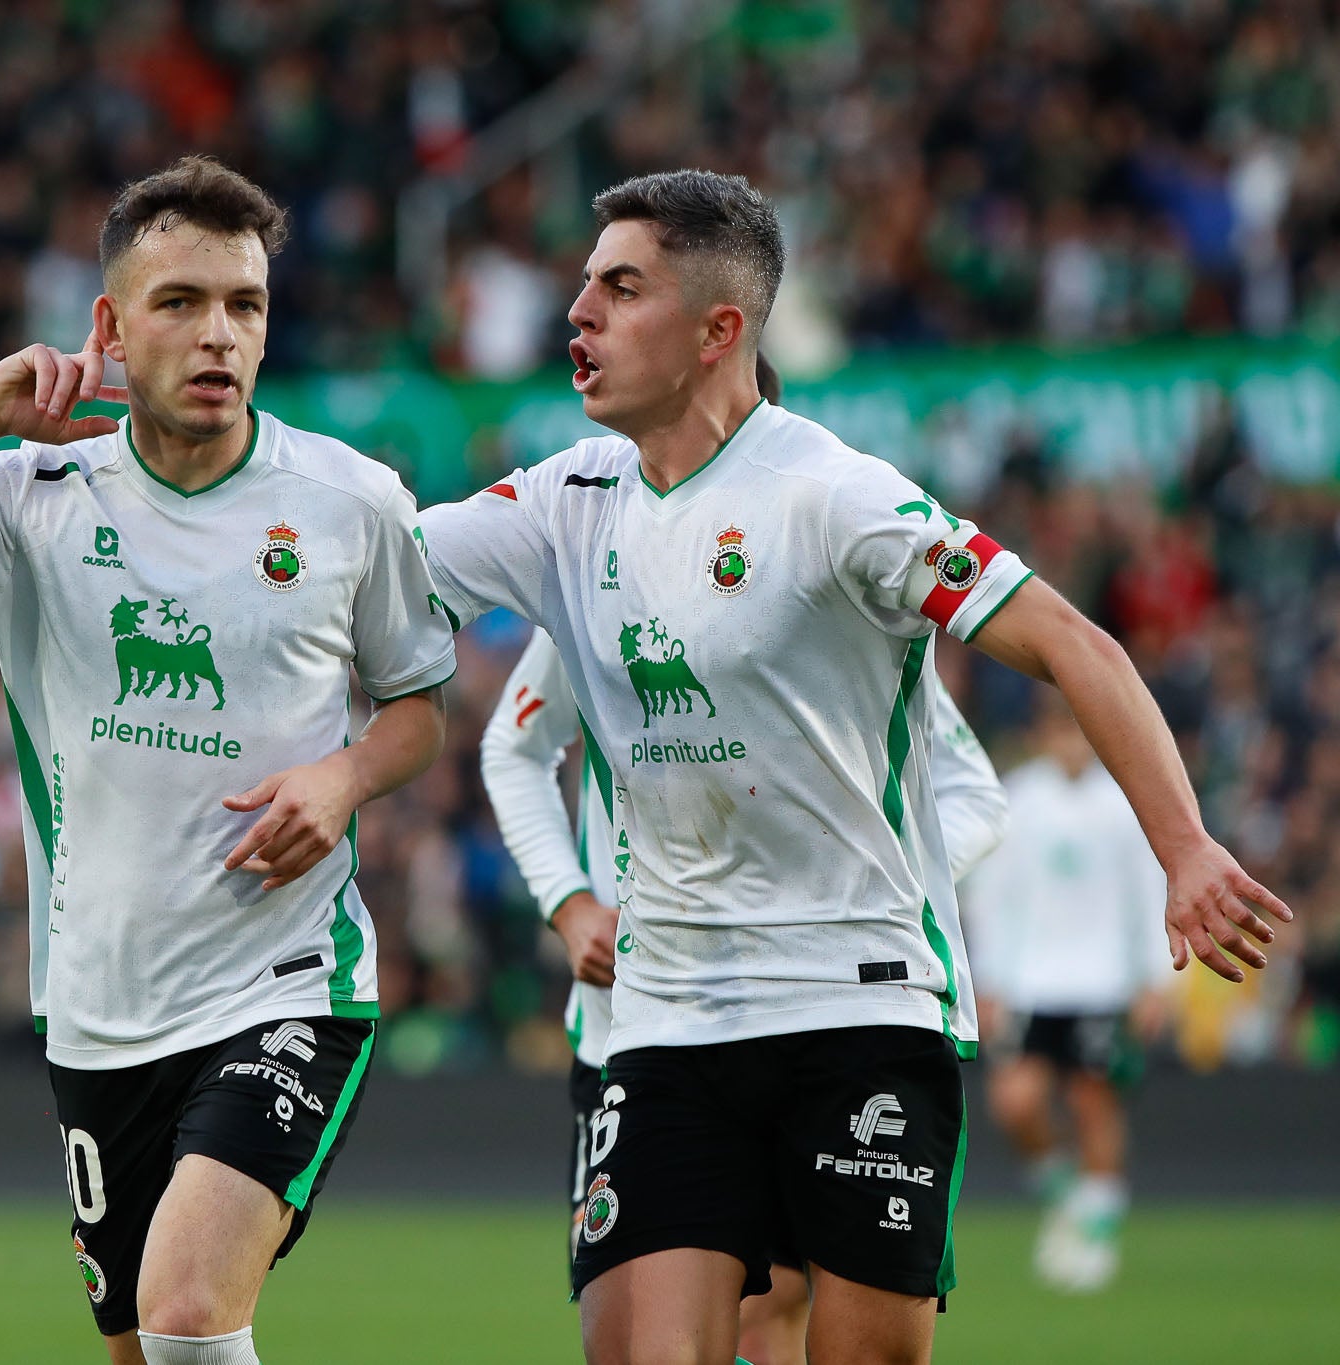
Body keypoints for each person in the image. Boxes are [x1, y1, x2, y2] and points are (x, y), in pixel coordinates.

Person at [418, 169, 1289, 1365]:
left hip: (856, 1004)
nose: (577, 312)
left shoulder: (834, 497)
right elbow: (357, 566)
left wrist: (1181, 848)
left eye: (619, 287)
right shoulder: (562, 505)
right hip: (667, 1016)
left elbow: (1073, 644)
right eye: (583, 286)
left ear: (718, 329)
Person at [0, 156, 454, 1365]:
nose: (218, 333)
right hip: (96, 1008)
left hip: (283, 983)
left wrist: (341, 779)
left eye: (243, 305)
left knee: (186, 1311)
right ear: (110, 328)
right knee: (141, 1349)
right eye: (179, 302)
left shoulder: (352, 502)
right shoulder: (27, 495)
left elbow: (417, 710)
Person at [481, 609, 1008, 1365]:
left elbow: (973, 793)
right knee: (627, 1341)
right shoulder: (590, 573)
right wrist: (568, 902)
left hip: (808, 1018)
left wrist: (847, 892)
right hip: (635, 1026)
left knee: (766, 1318)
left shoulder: (820, 584)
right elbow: (515, 742)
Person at [964, 698, 1172, 1293]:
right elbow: (991, 896)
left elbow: (1150, 888)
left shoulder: (1124, 801)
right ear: (1040, 735)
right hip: (1031, 981)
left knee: (1091, 1103)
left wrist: (1154, 979)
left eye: (1080, 733)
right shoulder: (1020, 799)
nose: (1071, 745)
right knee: (1016, 1102)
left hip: (1102, 980)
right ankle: (1066, 1198)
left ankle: (1097, 1233)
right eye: (1060, 732)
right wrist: (988, 980)